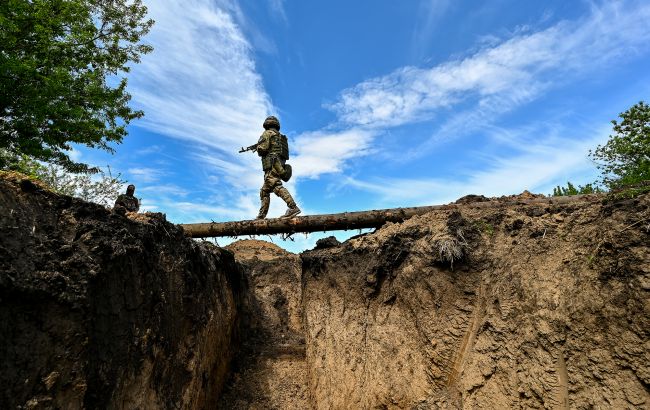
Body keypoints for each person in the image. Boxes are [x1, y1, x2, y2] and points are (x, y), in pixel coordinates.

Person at [256, 116, 301, 219]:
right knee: (265, 190)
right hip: (279, 165)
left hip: (272, 165)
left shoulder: (267, 134)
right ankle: (262, 215)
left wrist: (258, 147)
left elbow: (263, 149)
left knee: (276, 186)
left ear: (267, 124)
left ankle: (293, 207)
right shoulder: (280, 137)